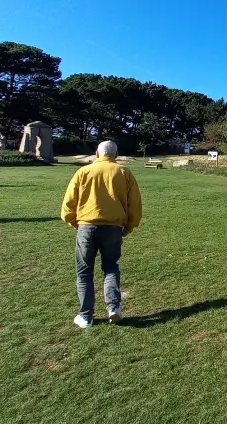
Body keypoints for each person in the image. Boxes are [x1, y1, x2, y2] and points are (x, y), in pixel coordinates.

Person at [61, 140, 142, 328]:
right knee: (111, 267)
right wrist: (129, 226)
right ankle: (113, 308)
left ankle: (86, 315)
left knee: (84, 272)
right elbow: (135, 204)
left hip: (86, 226)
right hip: (113, 228)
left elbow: (69, 202)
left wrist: (73, 220)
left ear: (97, 153)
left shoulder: (83, 172)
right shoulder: (124, 172)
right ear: (116, 155)